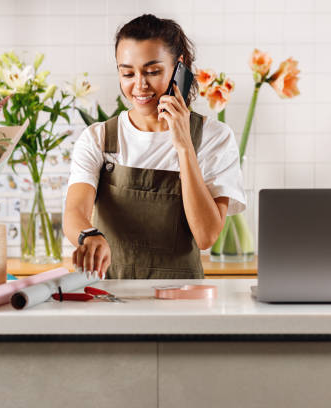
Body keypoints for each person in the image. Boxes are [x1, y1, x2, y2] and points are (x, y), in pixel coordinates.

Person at [63, 14, 245, 279]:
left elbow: (206, 236)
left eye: (152, 71)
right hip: (111, 298)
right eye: (127, 73)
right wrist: (88, 235)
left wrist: (184, 146)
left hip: (182, 303)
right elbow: (75, 211)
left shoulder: (214, 137)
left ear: (178, 68)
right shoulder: (98, 138)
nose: (139, 85)